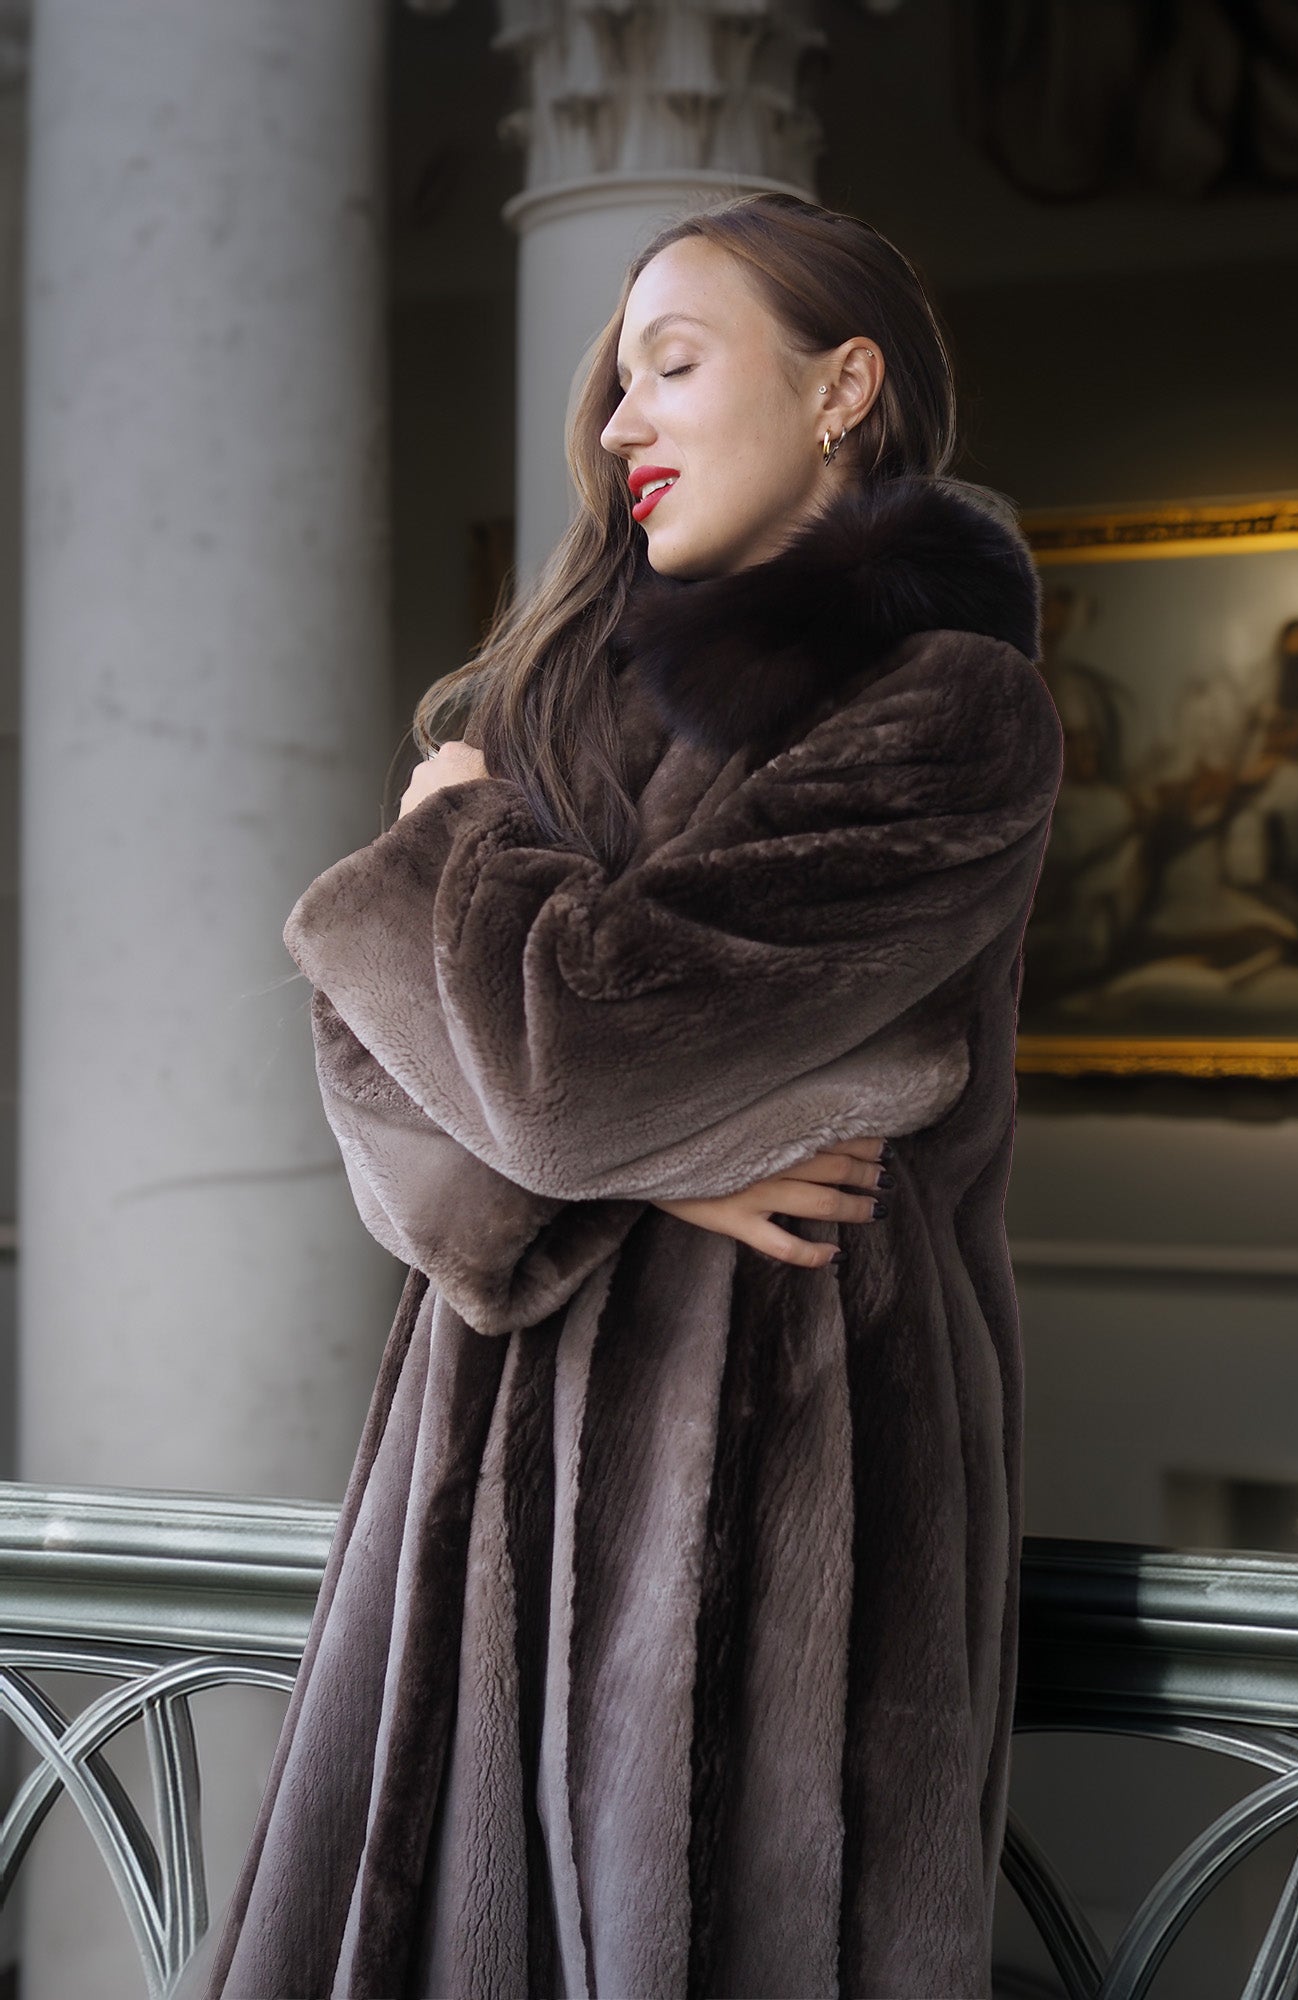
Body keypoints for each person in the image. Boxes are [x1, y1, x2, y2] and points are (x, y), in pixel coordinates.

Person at [192, 189, 1062, 2000]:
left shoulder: (949, 708)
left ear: (845, 389)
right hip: (470, 1466)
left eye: (673, 365)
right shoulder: (546, 704)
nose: (616, 424)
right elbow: (382, 1092)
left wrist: (446, 864)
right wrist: (664, 1158)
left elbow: (566, 1070)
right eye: (614, 381)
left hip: (779, 1477)